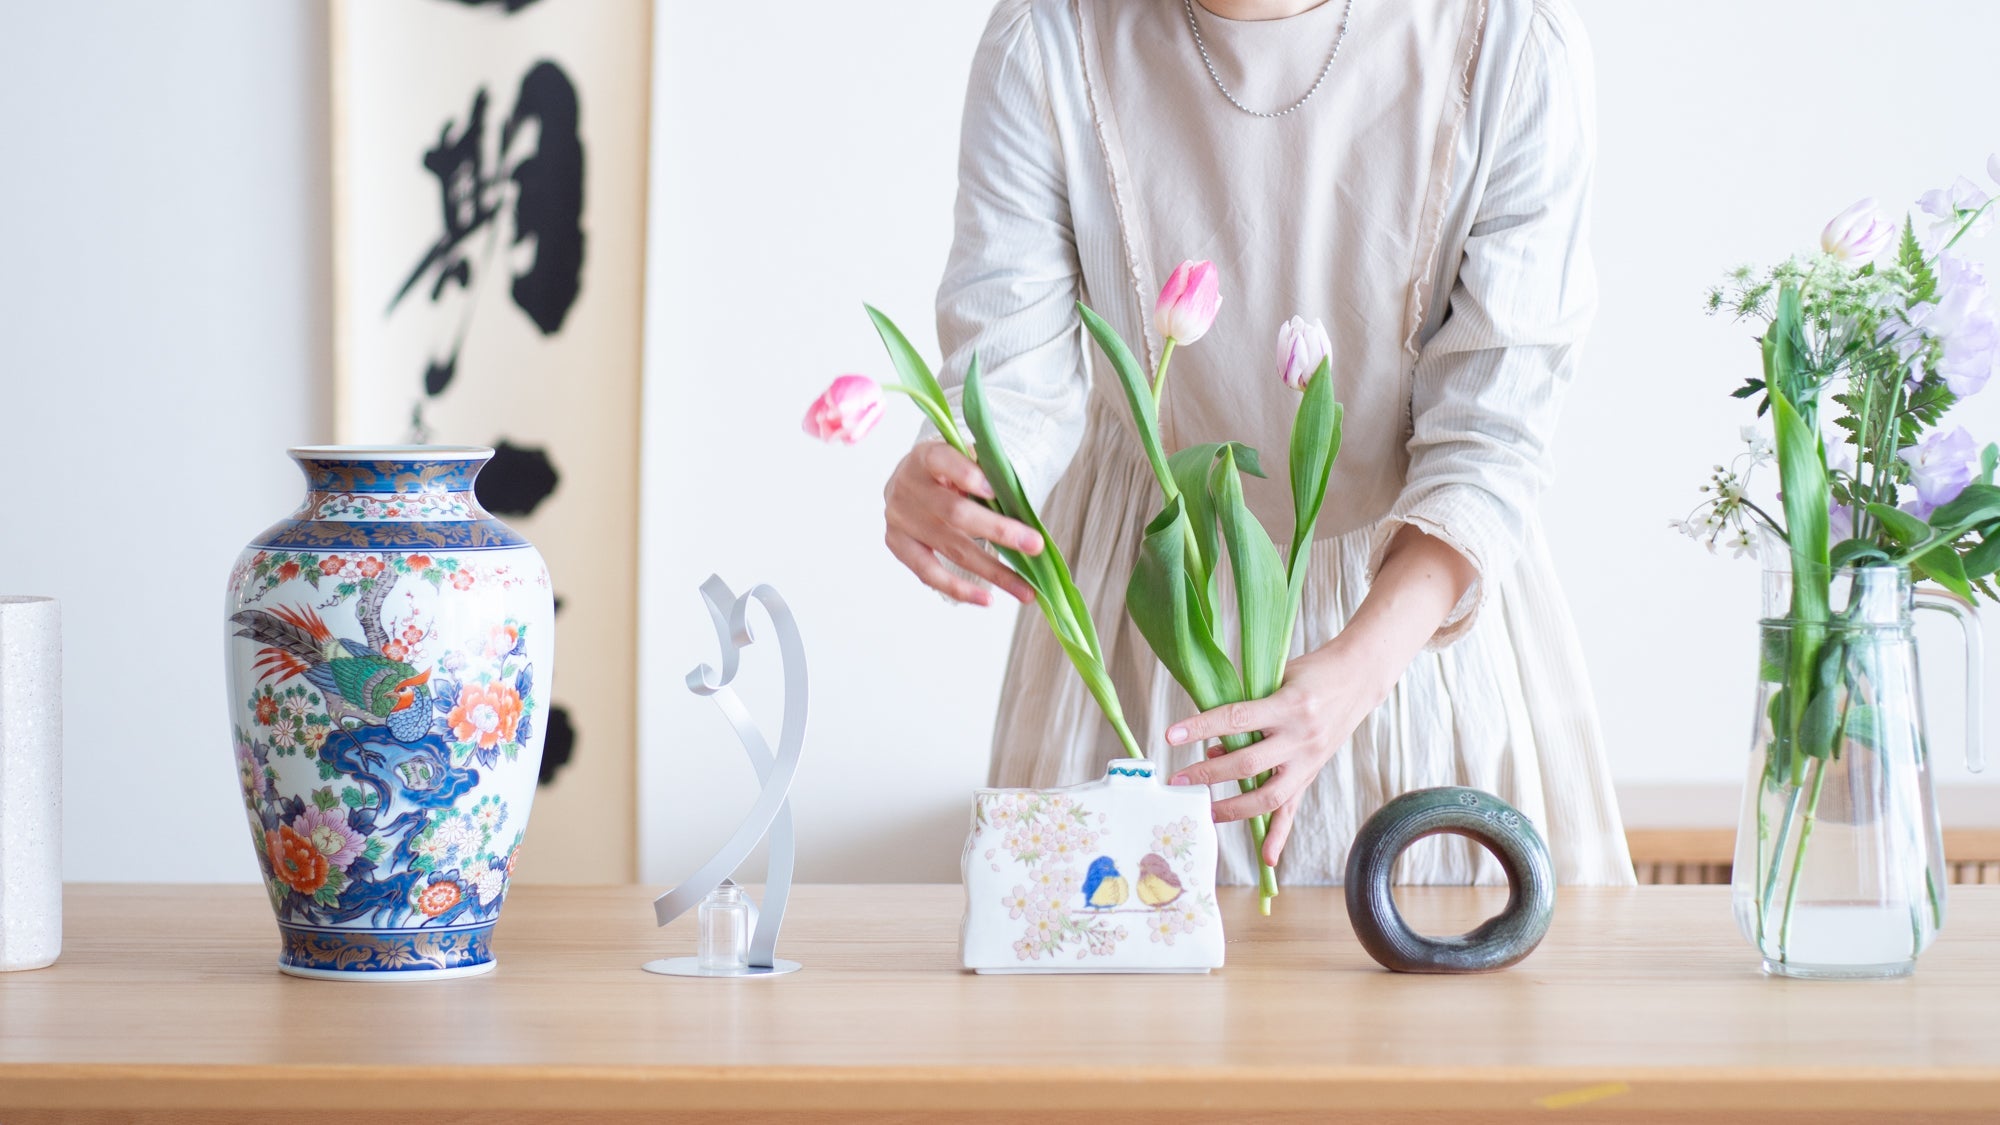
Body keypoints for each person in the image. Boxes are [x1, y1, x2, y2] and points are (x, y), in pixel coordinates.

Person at [882, 0, 1633, 887]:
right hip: (1153, 618)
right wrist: (961, 480)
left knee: (1438, 997)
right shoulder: (1048, 40)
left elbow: (1492, 435)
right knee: (1114, 1012)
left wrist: (1354, 675)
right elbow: (1014, 378)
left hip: (1417, 624)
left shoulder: (1512, 43)